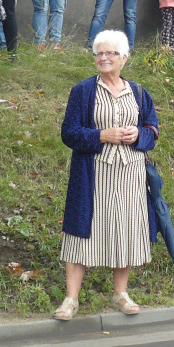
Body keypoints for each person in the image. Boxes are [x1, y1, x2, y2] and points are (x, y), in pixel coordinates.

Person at [55, 30, 159, 320]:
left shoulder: (139, 92)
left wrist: (138, 133)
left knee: (124, 228)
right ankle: (71, 299)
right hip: (92, 174)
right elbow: (69, 133)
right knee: (81, 234)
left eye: (110, 53)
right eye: (99, 53)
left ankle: (120, 294)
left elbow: (153, 131)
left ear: (124, 58)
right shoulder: (83, 91)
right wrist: (102, 134)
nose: (103, 57)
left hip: (131, 175)